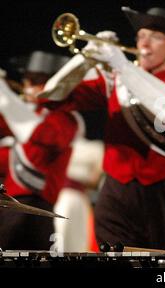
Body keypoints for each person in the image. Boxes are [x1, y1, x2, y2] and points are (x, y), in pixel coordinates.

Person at [40, 7, 165, 250]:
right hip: (113, 191)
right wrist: (84, 59)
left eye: (156, 37)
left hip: (157, 193)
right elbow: (50, 97)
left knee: (160, 262)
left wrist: (121, 65)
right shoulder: (117, 77)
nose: (144, 43)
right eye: (141, 35)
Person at [0, 52, 103, 251]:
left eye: (37, 80)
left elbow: (42, 138)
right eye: (27, 78)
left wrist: (7, 97)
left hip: (38, 206)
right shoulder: (28, 113)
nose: (28, 85)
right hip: (11, 205)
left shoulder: (67, 117)